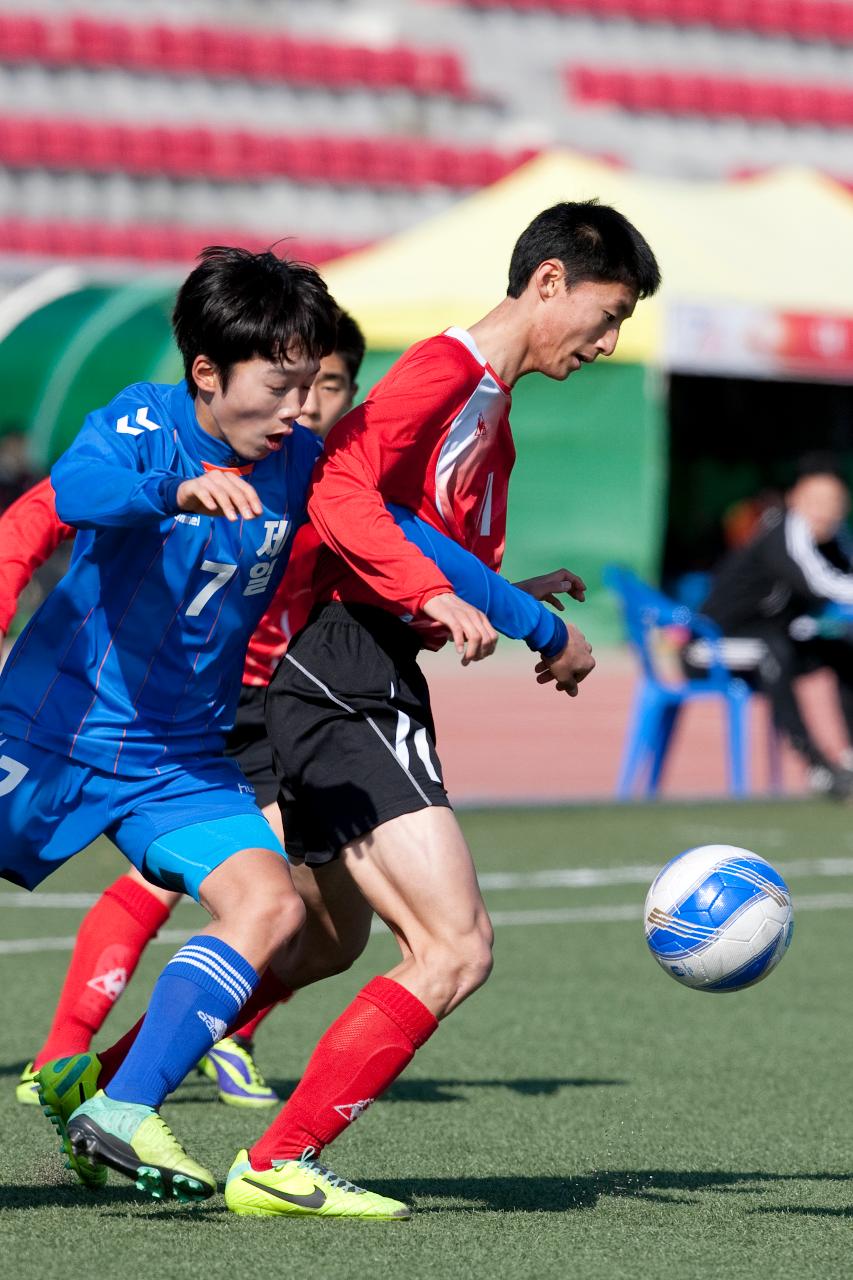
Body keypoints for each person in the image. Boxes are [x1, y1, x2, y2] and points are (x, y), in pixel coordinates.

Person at [39, 200, 658, 1221]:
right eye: (608, 311)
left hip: (359, 664)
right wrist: (448, 601)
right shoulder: (443, 371)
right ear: (549, 280)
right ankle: (278, 1155)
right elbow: (344, 496)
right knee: (453, 945)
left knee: (327, 938)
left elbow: (407, 519)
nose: (608, 340)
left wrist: (510, 600)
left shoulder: (482, 392)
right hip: (344, 665)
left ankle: (112, 1083)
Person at [4, 313, 367, 1110]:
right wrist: (172, 489)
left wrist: (495, 604)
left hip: (191, 745)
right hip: (59, 726)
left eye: (322, 386)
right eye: (285, 385)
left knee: (293, 916)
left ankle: (118, 1106)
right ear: (208, 374)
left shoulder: (308, 466)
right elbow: (64, 494)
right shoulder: (145, 423)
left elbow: (383, 539)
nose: (303, 406)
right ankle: (71, 1053)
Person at [684, 458, 853, 797]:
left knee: (844, 645)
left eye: (834, 503)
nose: (825, 511)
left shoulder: (835, 538)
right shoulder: (785, 534)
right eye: (815, 501)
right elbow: (819, 584)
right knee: (773, 650)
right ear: (794, 500)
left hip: (773, 636)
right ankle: (816, 765)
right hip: (709, 644)